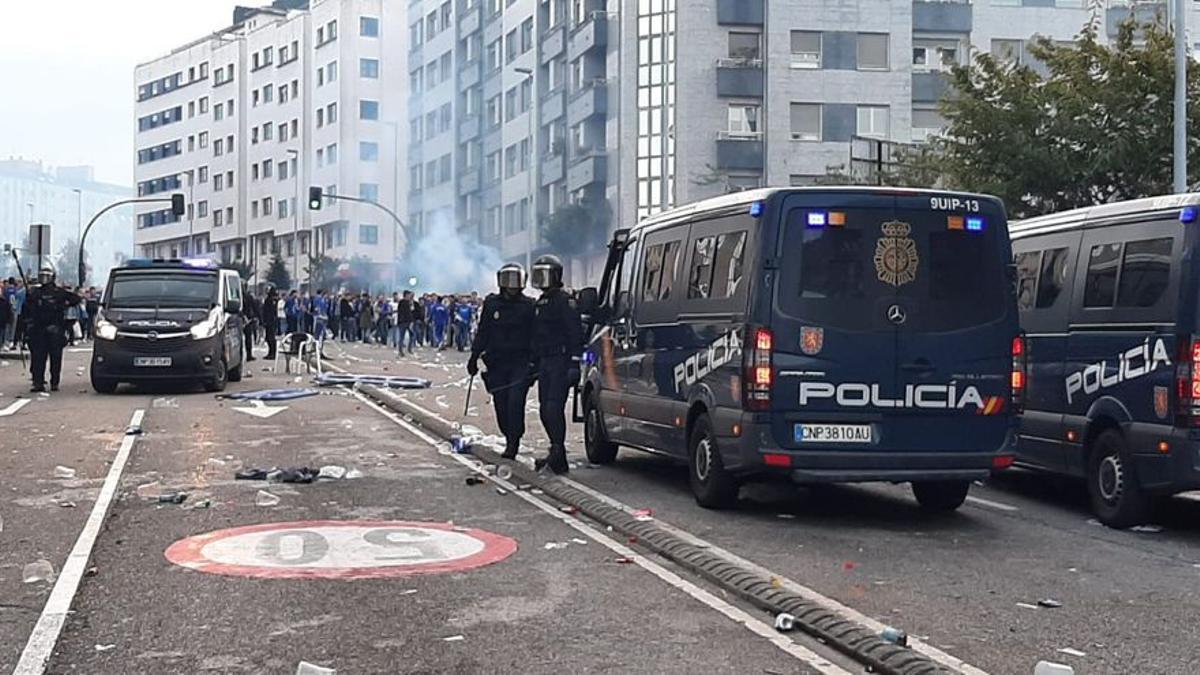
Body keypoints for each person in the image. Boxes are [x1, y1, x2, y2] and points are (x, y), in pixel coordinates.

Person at [469, 264, 535, 459]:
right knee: (501, 403)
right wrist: (474, 356)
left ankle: (513, 442)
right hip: (497, 362)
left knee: (516, 402)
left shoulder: (529, 306)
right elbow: (484, 331)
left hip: (520, 362)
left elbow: (535, 335)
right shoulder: (492, 304)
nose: (512, 286)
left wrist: (534, 363)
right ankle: (508, 435)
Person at [530, 255, 584, 475]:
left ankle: (559, 454)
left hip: (561, 360)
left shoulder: (565, 301)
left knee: (553, 407)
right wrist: (533, 361)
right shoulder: (540, 303)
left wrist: (574, 362)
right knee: (544, 408)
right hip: (545, 361)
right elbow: (535, 335)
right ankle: (555, 449)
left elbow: (575, 332)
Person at [21, 265, 75, 393]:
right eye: (42, 276)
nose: (44, 279)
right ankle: (38, 382)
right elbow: (26, 311)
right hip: (39, 330)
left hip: (55, 330)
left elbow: (75, 299)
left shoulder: (59, 292)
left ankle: (54, 382)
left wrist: (63, 305)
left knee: (55, 359)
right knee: (38, 358)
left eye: (47, 276)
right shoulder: (34, 293)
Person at [242, 285, 261, 362]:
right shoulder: (248, 296)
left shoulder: (238, 295)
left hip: (244, 319)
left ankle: (247, 355)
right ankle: (248, 355)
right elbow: (255, 308)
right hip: (248, 319)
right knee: (248, 338)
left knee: (245, 338)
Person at [263, 287, 280, 361]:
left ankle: (272, 353)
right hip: (271, 321)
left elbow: (268, 311)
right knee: (269, 337)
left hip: (270, 321)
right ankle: (271, 353)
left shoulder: (270, 300)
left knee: (271, 338)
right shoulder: (274, 300)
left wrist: (266, 320)